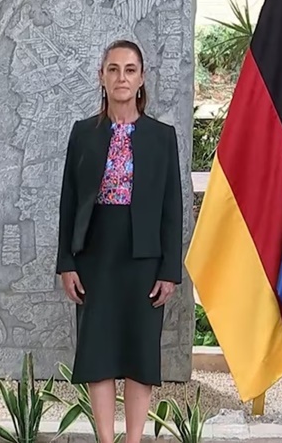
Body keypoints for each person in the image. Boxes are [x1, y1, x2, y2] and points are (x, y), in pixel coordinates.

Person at [55, 39, 183, 443]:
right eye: (113, 69)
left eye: (130, 70)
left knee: (139, 352)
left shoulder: (162, 136)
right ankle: (106, 438)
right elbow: (69, 201)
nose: (121, 77)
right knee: (99, 352)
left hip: (144, 256)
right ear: (102, 77)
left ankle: (133, 439)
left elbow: (172, 207)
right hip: (95, 255)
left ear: (142, 78)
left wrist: (169, 269)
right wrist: (66, 262)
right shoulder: (83, 133)